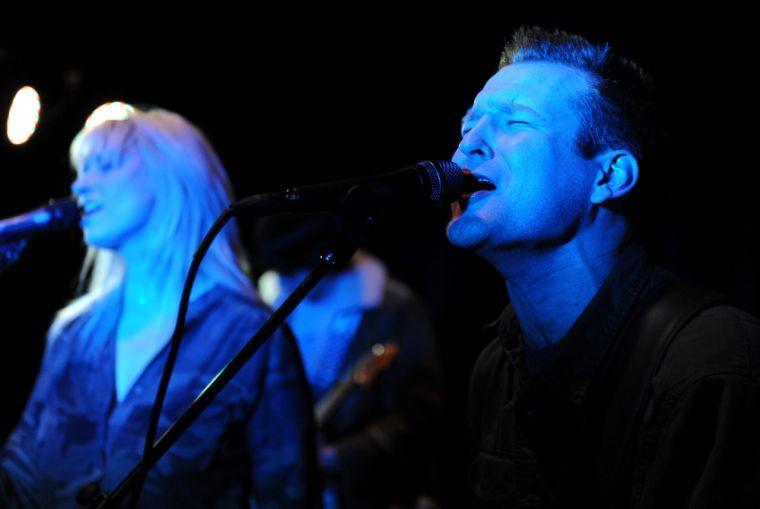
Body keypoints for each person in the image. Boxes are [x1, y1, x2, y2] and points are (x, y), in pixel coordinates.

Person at [448, 27, 760, 507]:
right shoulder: (494, 368)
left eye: (514, 123)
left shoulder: (709, 363)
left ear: (610, 176)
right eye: (468, 125)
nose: (467, 146)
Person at [0, 104, 320, 508]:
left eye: (106, 165)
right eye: (82, 171)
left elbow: (288, 492)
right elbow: (18, 478)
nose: (81, 186)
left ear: (172, 176)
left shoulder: (250, 336)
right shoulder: (74, 331)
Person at [254, 213, 443, 509]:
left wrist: (338, 456)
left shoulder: (392, 308)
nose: (289, 280)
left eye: (298, 269)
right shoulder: (272, 300)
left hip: (363, 493)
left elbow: (419, 412)